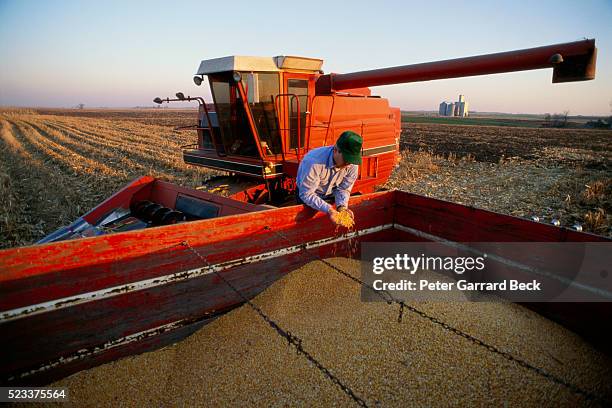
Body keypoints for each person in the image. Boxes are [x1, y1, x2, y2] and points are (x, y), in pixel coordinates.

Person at [296, 130, 362, 225]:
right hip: (307, 196)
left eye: (351, 160)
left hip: (330, 194)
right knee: (304, 225)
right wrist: (330, 210)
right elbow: (306, 194)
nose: (348, 164)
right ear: (335, 150)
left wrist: (342, 207)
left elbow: (343, 188)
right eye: (347, 159)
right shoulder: (313, 162)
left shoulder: (352, 164)